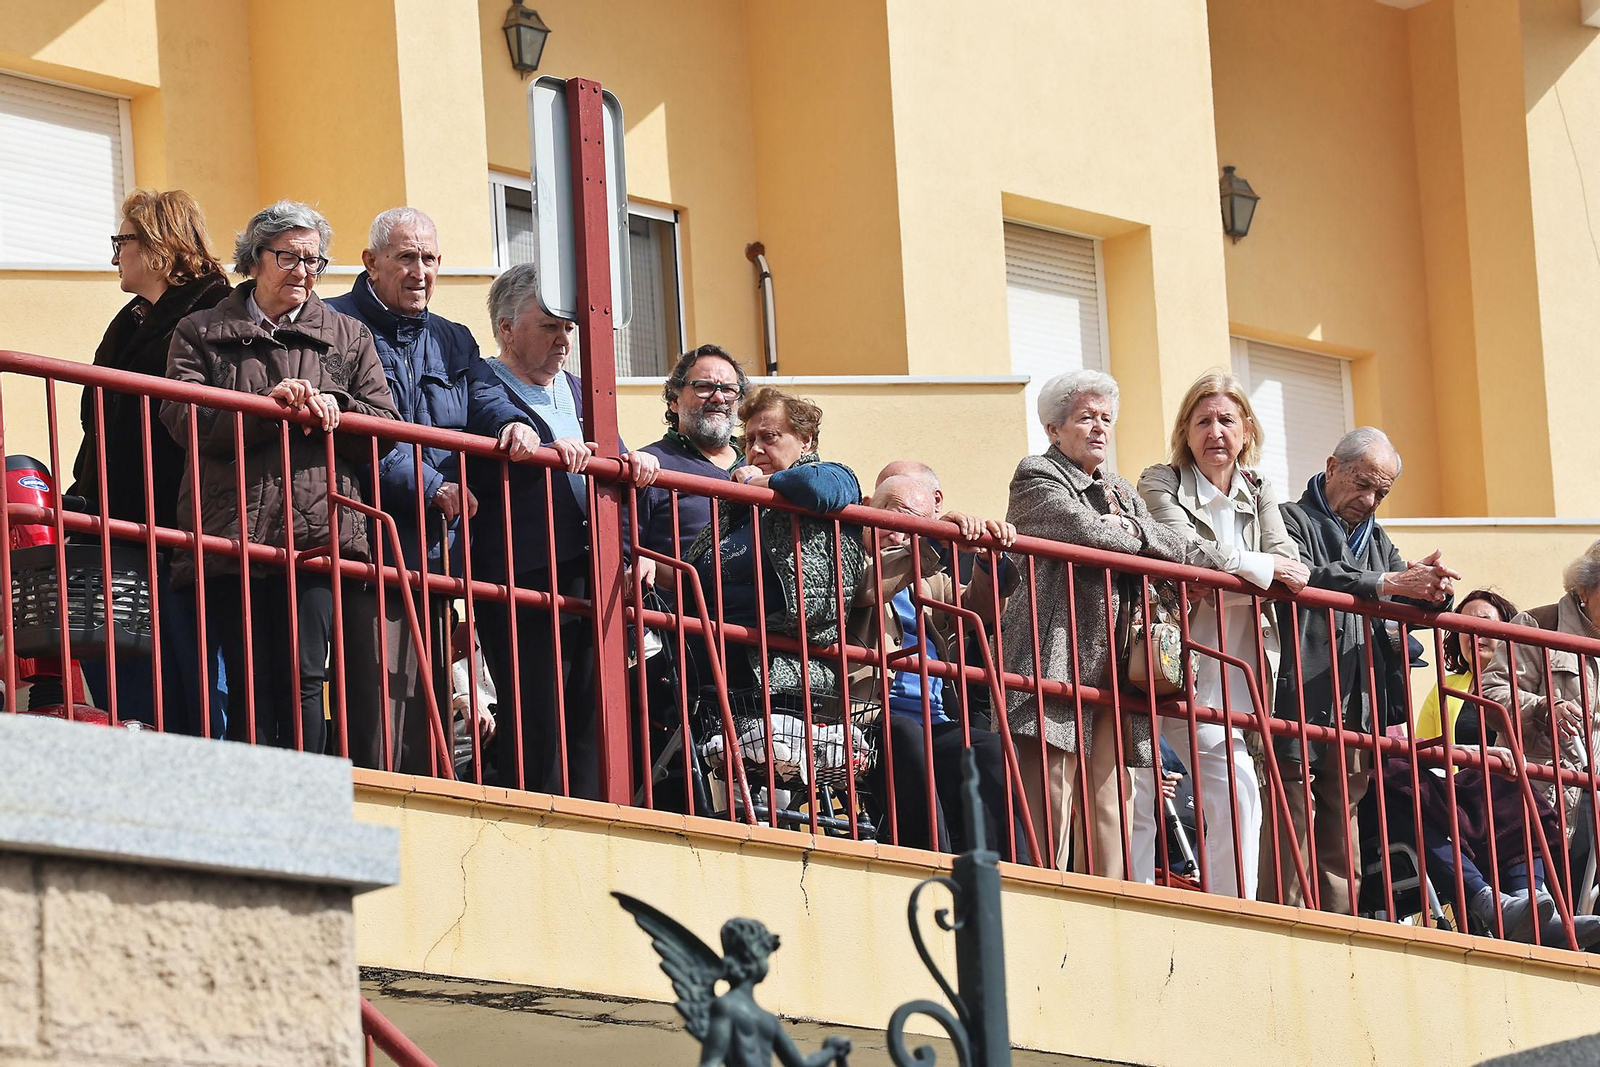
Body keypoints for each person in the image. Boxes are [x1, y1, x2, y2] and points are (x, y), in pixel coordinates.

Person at [161, 200, 396, 756]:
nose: (303, 271)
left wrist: (331, 404)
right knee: (248, 681)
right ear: (254, 258)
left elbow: (384, 425)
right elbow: (182, 420)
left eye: (315, 261)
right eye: (288, 257)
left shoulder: (347, 335)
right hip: (231, 533)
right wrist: (265, 407)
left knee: (306, 680)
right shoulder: (200, 331)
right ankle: (261, 804)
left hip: (319, 536)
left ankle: (309, 795)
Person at [325, 207, 538, 774]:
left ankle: (428, 805)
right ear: (370, 263)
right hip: (368, 536)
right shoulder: (335, 326)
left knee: (429, 694)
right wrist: (429, 484)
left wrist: (513, 425)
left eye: (430, 258)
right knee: (382, 701)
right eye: (406, 257)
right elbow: (356, 428)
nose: (421, 271)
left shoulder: (452, 337)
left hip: (440, 546)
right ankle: (388, 810)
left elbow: (484, 399)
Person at [999, 369, 1223, 878]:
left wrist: (1133, 530)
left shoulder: (1121, 489)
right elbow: (1089, 533)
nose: (1100, 428)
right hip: (1054, 652)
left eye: (1106, 418)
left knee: (1111, 797)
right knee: (1051, 795)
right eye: (1085, 418)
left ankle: (1111, 900)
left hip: (1117, 664)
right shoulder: (1036, 474)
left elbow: (1170, 542)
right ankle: (1046, 897)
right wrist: (1134, 534)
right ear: (1055, 429)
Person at [468, 262, 660, 798]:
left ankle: (594, 817)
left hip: (590, 567)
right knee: (536, 702)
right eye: (549, 325)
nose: (564, 340)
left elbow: (614, 471)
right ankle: (536, 817)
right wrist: (527, 433)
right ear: (506, 328)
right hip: (523, 568)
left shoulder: (581, 390)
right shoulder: (482, 378)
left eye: (567, 328)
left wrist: (632, 479)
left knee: (593, 704)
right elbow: (490, 413)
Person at [1263, 426, 1457, 914]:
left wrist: (1434, 589)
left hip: (1358, 700)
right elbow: (1307, 575)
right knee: (1291, 815)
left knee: (1343, 819)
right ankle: (1288, 919)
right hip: (1298, 691)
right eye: (1363, 484)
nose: (1370, 500)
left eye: (1382, 492)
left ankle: (1340, 926)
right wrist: (1390, 581)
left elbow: (1399, 587)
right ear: (1331, 467)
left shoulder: (1380, 541)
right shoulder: (1290, 519)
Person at [1131, 372, 1308, 897]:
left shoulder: (1259, 489)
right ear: (1185, 431)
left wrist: (1241, 574)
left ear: (1247, 430)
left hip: (1230, 680)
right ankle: (1135, 898)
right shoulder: (1159, 482)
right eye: (1202, 420)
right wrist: (1258, 569)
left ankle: (1234, 911)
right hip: (1162, 662)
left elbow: (1293, 562)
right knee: (1141, 790)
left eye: (1226, 420)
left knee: (1238, 791)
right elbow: (1182, 551)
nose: (1215, 432)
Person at [68, 189, 231, 736]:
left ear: (158, 246)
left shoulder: (214, 316)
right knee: (117, 663)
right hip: (113, 518)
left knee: (189, 676)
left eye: (123, 241)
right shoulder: (130, 320)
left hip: (175, 524)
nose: (116, 255)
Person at [1381, 590, 1593, 947]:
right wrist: (1467, 753)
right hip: (1458, 790)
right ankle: (1501, 905)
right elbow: (1425, 747)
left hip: (1503, 791)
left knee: (1512, 788)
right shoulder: (1445, 688)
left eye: (1484, 624)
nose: (1473, 633)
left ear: (1507, 630)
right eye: (1465, 627)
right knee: (1416, 784)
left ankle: (1538, 909)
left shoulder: (1521, 674)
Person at [846, 474, 1017, 855]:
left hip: (933, 722)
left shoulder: (927, 580)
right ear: (869, 506)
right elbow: (865, 589)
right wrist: (929, 542)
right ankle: (929, 861)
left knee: (988, 747)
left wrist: (991, 558)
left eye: (916, 525)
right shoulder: (847, 559)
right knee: (905, 736)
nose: (902, 534)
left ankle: (1004, 873)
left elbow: (977, 610)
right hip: (866, 717)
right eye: (897, 518)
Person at [685, 387, 864, 722]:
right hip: (714, 652)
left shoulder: (833, 474)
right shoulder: (734, 506)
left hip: (779, 668)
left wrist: (759, 484)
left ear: (806, 440)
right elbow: (689, 574)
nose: (755, 448)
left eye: (769, 437)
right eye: (748, 440)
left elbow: (818, 490)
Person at [1482, 541, 1600, 836]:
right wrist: (1543, 708)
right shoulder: (1538, 625)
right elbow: (1492, 694)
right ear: (1584, 589)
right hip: (1548, 794)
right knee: (1561, 880)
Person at [635, 344, 749, 557]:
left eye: (729, 389)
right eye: (704, 387)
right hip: (679, 590)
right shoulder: (649, 466)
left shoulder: (757, 464)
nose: (718, 398)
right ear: (674, 401)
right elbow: (620, 556)